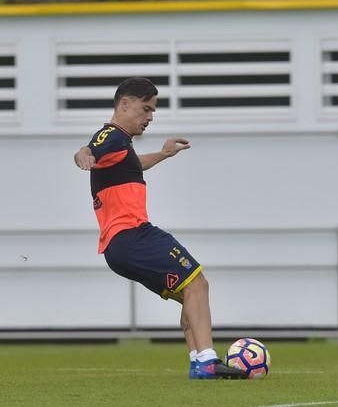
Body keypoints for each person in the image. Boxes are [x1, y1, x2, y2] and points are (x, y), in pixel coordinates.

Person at [73, 77, 246, 380]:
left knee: (190, 294)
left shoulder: (120, 147)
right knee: (197, 284)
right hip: (133, 234)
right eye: (146, 109)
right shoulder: (110, 136)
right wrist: (84, 156)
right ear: (125, 104)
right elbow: (88, 149)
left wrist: (164, 154)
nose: (150, 117)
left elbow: (133, 164)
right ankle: (207, 361)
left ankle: (198, 361)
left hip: (120, 246)